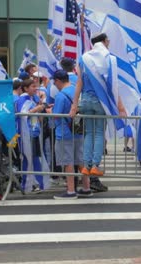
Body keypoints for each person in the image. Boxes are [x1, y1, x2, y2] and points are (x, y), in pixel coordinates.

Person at [69, 32, 126, 178]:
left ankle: (86, 165)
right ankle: (95, 165)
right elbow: (114, 86)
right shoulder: (110, 59)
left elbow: (79, 82)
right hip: (100, 101)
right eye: (108, 41)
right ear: (104, 42)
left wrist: (74, 104)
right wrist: (120, 106)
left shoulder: (84, 58)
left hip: (85, 100)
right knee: (99, 133)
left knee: (88, 133)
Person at [51, 70, 91, 199]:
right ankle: (86, 187)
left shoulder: (61, 96)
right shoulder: (76, 90)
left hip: (64, 132)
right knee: (80, 161)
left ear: (57, 80)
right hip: (78, 131)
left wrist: (48, 110)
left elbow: (56, 116)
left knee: (68, 162)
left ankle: (71, 190)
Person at [16, 79, 51, 193]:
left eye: (36, 86)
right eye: (32, 86)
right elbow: (23, 114)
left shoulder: (31, 99)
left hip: (34, 133)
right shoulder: (23, 99)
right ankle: (27, 185)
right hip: (27, 134)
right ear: (25, 88)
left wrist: (41, 108)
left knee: (35, 158)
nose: (35, 88)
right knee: (28, 159)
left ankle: (37, 183)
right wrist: (38, 108)